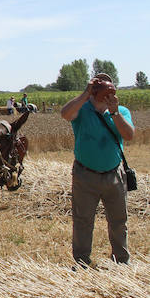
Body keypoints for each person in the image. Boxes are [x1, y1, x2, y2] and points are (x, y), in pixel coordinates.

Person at [60, 73, 134, 267]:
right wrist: (85, 94)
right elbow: (65, 114)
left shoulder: (121, 111)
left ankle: (121, 261)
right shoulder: (82, 109)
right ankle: (82, 261)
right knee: (83, 220)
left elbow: (129, 135)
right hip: (85, 175)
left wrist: (114, 111)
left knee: (118, 221)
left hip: (114, 174)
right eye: (98, 86)